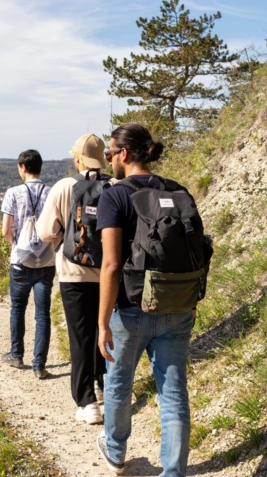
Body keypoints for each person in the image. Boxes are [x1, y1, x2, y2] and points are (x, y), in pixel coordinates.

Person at [96, 123, 197, 476]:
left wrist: (101, 322)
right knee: (172, 391)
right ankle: (173, 472)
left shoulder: (113, 196)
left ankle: (115, 450)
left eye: (110, 152)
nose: (109, 159)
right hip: (177, 304)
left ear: (123, 154)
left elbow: (110, 265)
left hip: (130, 309)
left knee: (119, 382)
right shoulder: (178, 190)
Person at [36, 134, 109, 424]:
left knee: (80, 335)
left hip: (73, 271)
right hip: (106, 272)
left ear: (77, 159)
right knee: (104, 331)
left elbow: (44, 232)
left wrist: (62, 240)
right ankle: (104, 386)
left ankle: (86, 402)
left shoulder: (65, 187)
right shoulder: (113, 187)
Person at [0, 149, 55, 379]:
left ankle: (17, 355)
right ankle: (39, 365)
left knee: (18, 308)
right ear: (40, 167)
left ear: (22, 167)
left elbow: (5, 230)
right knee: (43, 313)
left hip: (20, 262)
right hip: (46, 261)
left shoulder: (13, 193)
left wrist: (17, 246)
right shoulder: (51, 193)